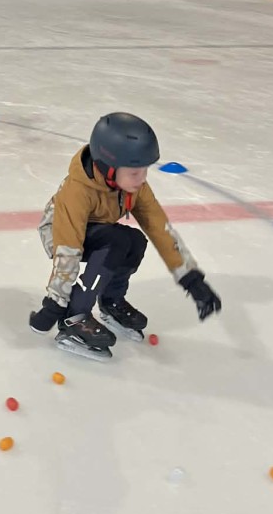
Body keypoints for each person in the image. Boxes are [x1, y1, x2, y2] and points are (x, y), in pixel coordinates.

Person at [29, 112, 222, 360]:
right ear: (108, 167)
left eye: (144, 171)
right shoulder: (77, 192)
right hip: (60, 231)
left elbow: (159, 227)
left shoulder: (134, 187)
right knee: (116, 241)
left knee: (135, 241)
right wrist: (54, 304)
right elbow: (68, 248)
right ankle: (74, 317)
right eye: (134, 173)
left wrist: (191, 280)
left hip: (97, 229)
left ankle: (111, 301)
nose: (142, 179)